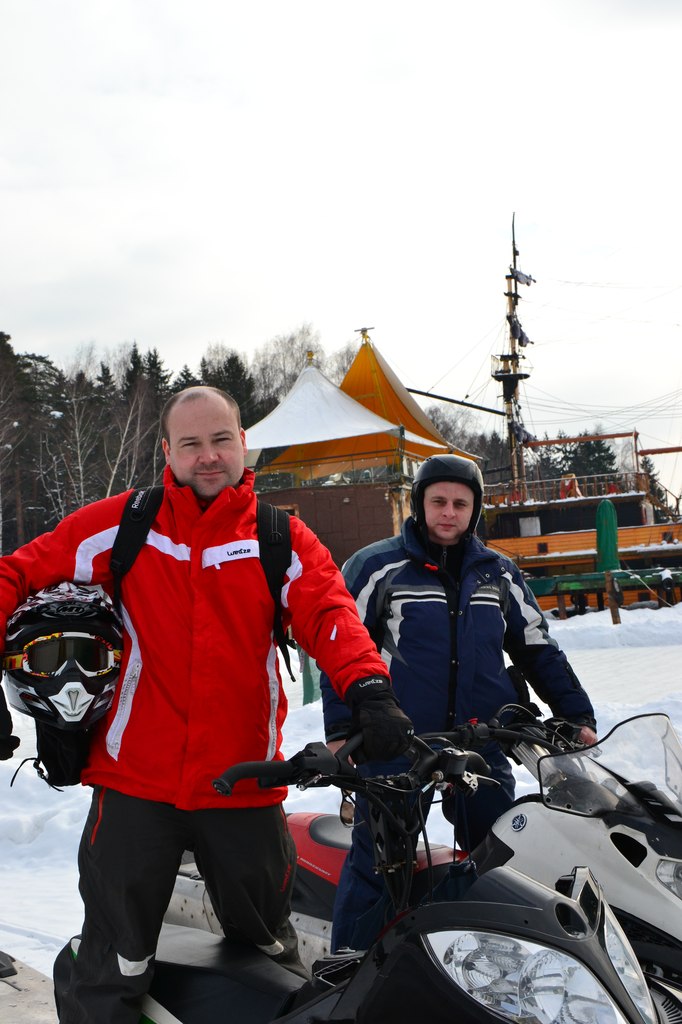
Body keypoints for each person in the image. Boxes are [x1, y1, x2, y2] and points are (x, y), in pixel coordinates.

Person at [0, 385, 414, 1023]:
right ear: (168, 451)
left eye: (221, 439)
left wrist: (369, 689)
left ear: (243, 443)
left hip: (243, 784)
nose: (208, 456)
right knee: (114, 963)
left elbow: (329, 612)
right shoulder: (125, 525)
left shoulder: (279, 539)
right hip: (135, 782)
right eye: (191, 443)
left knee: (268, 954)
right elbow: (19, 572)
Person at [321, 453, 597, 952]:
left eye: (460, 504)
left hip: (480, 743)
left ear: (475, 510)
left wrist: (575, 713)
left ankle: (500, 958)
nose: (448, 513)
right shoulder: (377, 566)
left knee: (502, 854)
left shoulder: (498, 573)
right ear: (419, 503)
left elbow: (537, 650)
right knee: (380, 864)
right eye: (439, 501)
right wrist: (343, 727)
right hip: (396, 744)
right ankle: (349, 969)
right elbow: (340, 646)